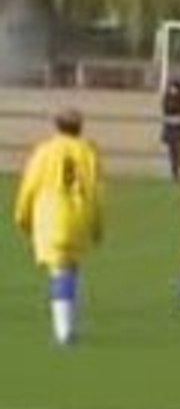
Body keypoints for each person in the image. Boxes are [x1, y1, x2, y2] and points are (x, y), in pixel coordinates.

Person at [14, 109, 103, 346]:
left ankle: (63, 332)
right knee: (71, 269)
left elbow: (29, 186)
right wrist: (97, 225)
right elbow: (96, 193)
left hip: (51, 217)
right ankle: (69, 326)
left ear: (56, 126)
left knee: (59, 270)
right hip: (79, 217)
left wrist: (22, 216)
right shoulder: (88, 153)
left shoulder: (45, 151)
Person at [161, 79, 180, 182]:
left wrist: (176, 96)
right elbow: (166, 108)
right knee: (172, 152)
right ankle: (175, 174)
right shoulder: (167, 96)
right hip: (170, 127)